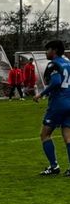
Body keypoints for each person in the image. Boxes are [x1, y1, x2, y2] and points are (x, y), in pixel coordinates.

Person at [33, 40, 70, 176]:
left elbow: (56, 82)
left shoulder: (53, 64)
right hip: (69, 102)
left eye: (47, 50)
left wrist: (40, 94)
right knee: (68, 137)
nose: (46, 52)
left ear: (54, 51)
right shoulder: (68, 63)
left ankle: (54, 166)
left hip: (58, 104)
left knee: (45, 134)